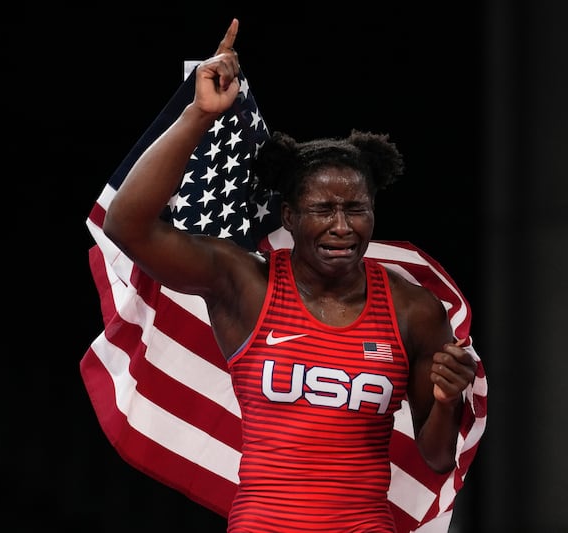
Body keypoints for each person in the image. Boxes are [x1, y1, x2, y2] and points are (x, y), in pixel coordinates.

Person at [102, 17, 479, 533]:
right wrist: (197, 115)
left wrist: (446, 398)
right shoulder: (246, 284)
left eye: (357, 209)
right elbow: (127, 225)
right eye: (323, 209)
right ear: (290, 218)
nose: (342, 227)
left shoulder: (414, 310)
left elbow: (437, 459)